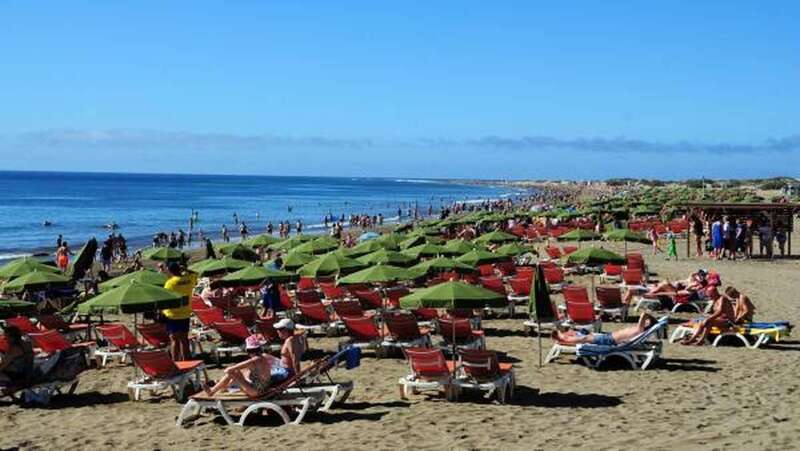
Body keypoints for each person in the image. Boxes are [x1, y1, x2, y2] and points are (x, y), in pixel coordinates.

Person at [553, 313, 657, 346]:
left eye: (647, 323)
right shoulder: (639, 329)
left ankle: (563, 339)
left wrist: (648, 317)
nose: (646, 322)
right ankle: (564, 336)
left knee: (584, 338)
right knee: (583, 334)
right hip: (608, 337)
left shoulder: (639, 329)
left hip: (608, 340)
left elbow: (643, 315)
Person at [162, 262, 196, 361]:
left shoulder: (170, 283)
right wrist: (185, 268)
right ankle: (187, 361)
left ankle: (175, 362)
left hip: (172, 314)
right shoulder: (189, 279)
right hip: (185, 313)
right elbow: (194, 273)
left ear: (170, 271)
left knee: (174, 340)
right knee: (184, 339)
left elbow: (165, 297)